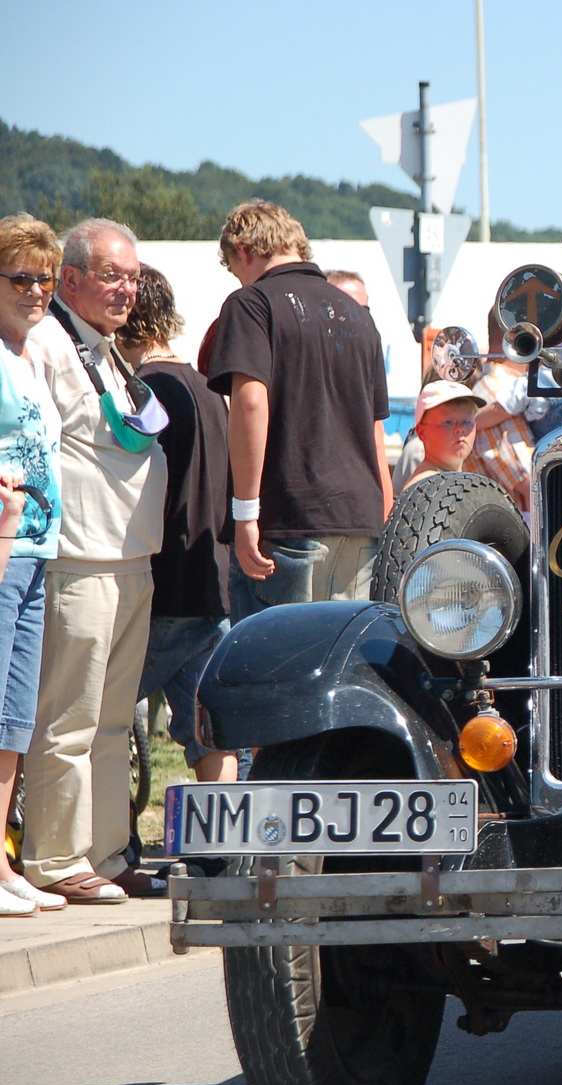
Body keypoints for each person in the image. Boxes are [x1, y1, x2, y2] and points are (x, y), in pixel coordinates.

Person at [23, 217, 166, 902]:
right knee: (69, 717)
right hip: (79, 559)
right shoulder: (47, 342)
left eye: (133, 278)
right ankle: (56, 858)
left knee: (113, 722)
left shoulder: (107, 350)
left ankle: (107, 851)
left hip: (129, 559)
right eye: (112, 275)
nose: (126, 289)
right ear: (70, 278)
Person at [206, 201, 392, 622]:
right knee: (338, 669)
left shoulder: (251, 303)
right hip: (359, 520)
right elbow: (375, 427)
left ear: (244, 251)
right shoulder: (359, 317)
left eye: (235, 269)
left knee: (272, 672)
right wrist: (380, 514)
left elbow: (251, 402)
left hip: (288, 519)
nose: (239, 279)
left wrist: (245, 513)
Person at [115, 266, 237, 785]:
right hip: (212, 585)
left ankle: (105, 844)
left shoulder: (146, 390)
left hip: (162, 589)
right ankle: (222, 854)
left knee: (94, 717)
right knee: (209, 733)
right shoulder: (208, 389)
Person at [0, 215, 68, 915]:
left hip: (37, 548)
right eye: (20, 278)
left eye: (45, 279)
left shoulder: (27, 354)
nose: (37, 290)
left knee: (15, 716)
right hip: (3, 548)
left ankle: (2, 858)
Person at [467, 313, 535, 513]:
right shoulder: (497, 392)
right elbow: (533, 485)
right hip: (514, 534)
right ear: (515, 340)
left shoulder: (498, 390)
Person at [403, 381, 484, 489]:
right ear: (421, 432)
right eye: (448, 422)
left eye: (467, 422)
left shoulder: (460, 481)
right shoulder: (425, 488)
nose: (459, 429)